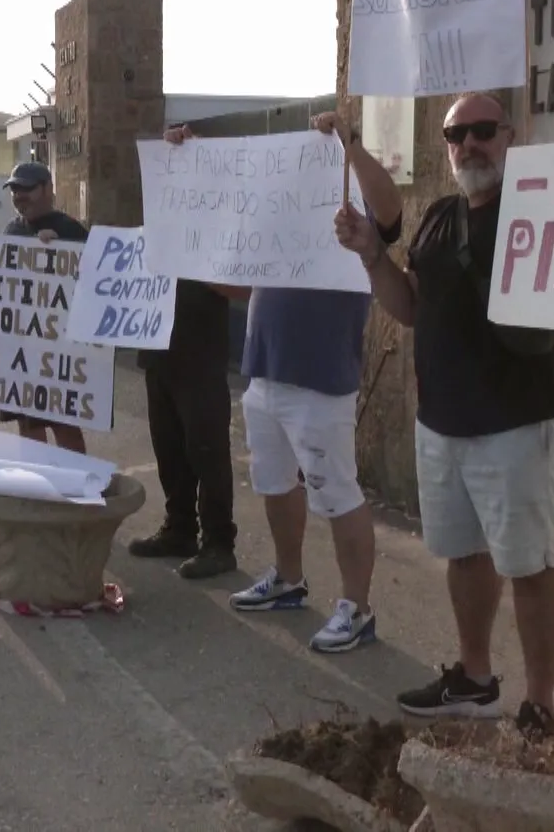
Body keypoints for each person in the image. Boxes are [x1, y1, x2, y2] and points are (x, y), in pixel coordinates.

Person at [336, 92, 554, 732]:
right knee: (466, 556)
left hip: (516, 423)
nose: (468, 144)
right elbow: (410, 306)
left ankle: (541, 705)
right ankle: (473, 679)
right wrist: (372, 256)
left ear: (509, 136)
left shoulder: (536, 211)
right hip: (442, 423)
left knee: (531, 564)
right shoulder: (439, 217)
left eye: (482, 131)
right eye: (455, 133)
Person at [159, 112, 403, 653]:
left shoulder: (350, 202)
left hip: (320, 374)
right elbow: (239, 285)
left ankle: (357, 608)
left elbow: (391, 212)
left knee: (337, 492)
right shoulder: (271, 216)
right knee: (273, 481)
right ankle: (288, 578)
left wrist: (352, 146)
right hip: (264, 367)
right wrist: (187, 161)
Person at [125, 268, 245, 580]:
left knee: (207, 451)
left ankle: (219, 543)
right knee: (168, 447)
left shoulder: (217, 228)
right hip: (157, 350)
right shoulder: (157, 229)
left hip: (201, 354)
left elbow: (243, 288)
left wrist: (192, 265)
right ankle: (179, 529)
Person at [0, 160, 91, 454]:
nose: (19, 196)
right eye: (14, 190)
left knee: (63, 421)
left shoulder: (70, 229)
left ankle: (73, 482)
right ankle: (40, 481)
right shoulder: (10, 231)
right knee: (26, 421)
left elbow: (91, 283)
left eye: (27, 189)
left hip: (58, 349)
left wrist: (60, 250)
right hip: (19, 350)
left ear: (48, 189)